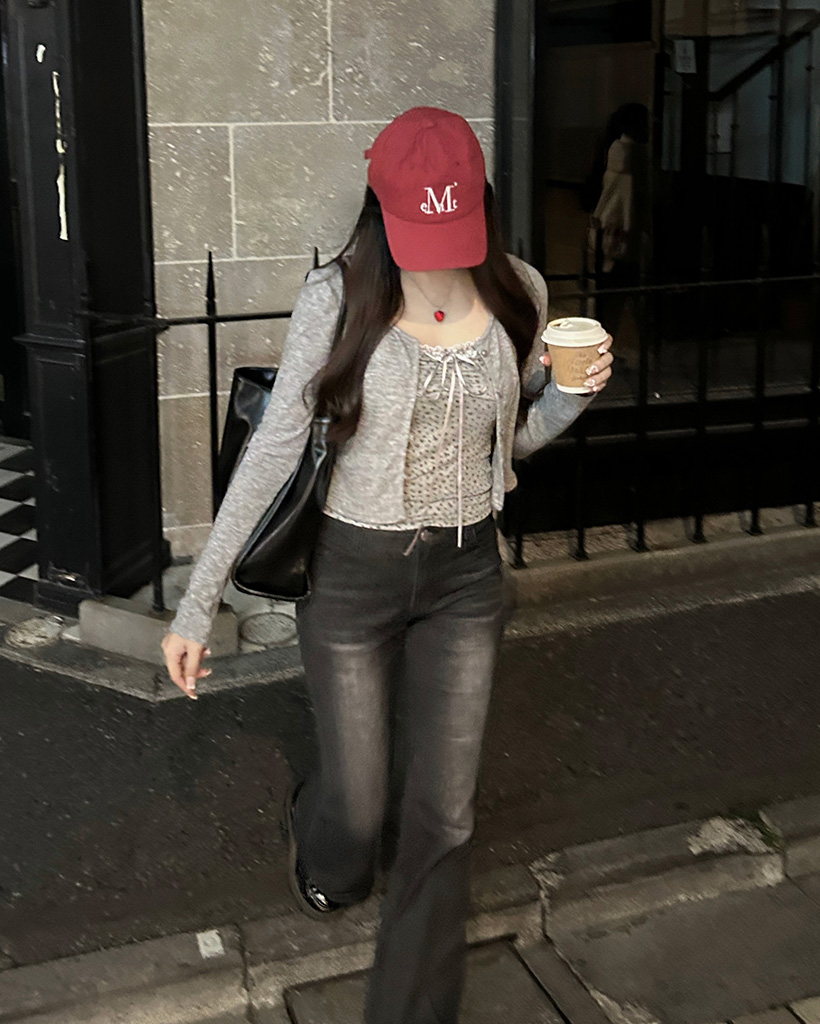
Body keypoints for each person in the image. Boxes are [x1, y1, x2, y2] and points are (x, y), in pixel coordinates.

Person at [162, 106, 613, 1024]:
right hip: (353, 578)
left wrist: (568, 398)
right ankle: (321, 839)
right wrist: (196, 603)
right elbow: (273, 449)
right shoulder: (337, 297)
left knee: (445, 816)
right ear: (383, 207)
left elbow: (508, 446)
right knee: (360, 810)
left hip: (466, 578)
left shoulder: (518, 291)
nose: (434, 252)